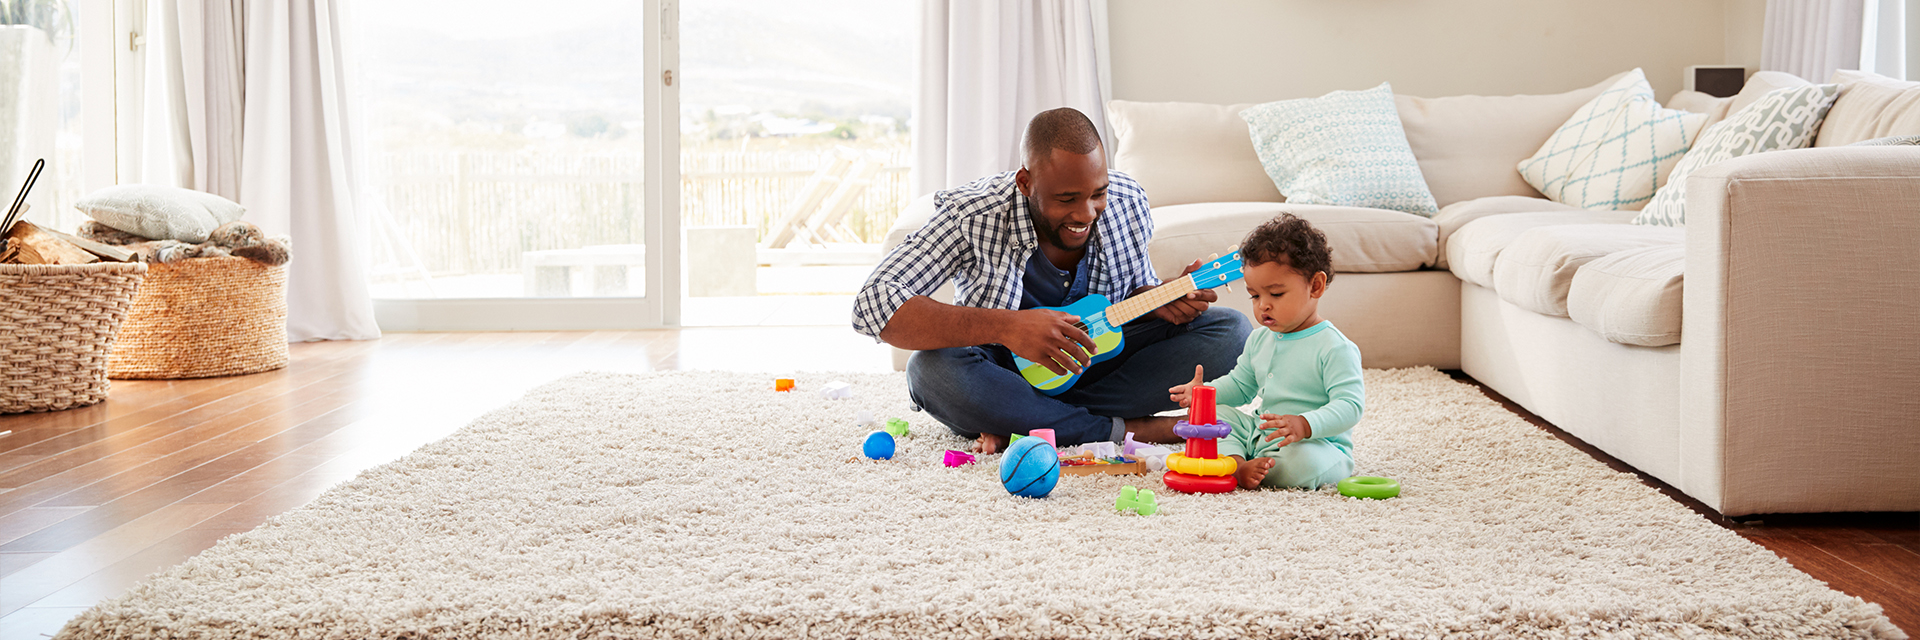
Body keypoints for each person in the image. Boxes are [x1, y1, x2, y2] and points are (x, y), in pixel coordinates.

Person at [852, 107, 1251, 454]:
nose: (1087, 213)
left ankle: (1026, 420)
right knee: (929, 371)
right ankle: (1121, 429)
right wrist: (1009, 328)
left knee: (1231, 331)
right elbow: (872, 304)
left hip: (1096, 367)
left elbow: (1130, 300)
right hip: (1001, 370)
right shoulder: (971, 215)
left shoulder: (1127, 200)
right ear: (1025, 182)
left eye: (1098, 193)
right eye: (1067, 199)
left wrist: (1158, 301)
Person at [1169, 213, 1363, 490]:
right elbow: (1240, 386)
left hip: (1316, 443)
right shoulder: (1260, 339)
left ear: (1315, 286)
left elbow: (1350, 406)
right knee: (1216, 418)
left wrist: (1304, 425)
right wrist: (1204, 395)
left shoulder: (1335, 347)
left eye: (1276, 294)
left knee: (1302, 463)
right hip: (1261, 434)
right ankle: (1237, 464)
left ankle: (1233, 466)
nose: (1263, 306)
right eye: (1255, 295)